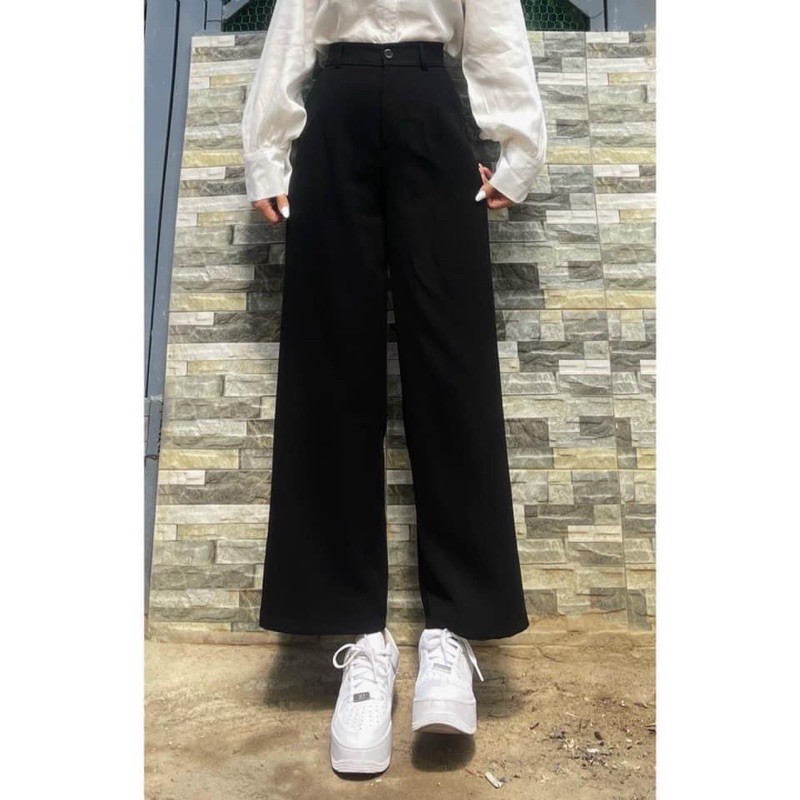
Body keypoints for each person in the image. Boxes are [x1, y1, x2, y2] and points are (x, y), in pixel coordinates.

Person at [241, 0, 547, 775]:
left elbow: (493, 29)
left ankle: (451, 633)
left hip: (430, 99)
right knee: (328, 367)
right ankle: (362, 638)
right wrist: (266, 151)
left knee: (455, 367)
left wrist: (519, 147)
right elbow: (295, 24)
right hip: (336, 109)